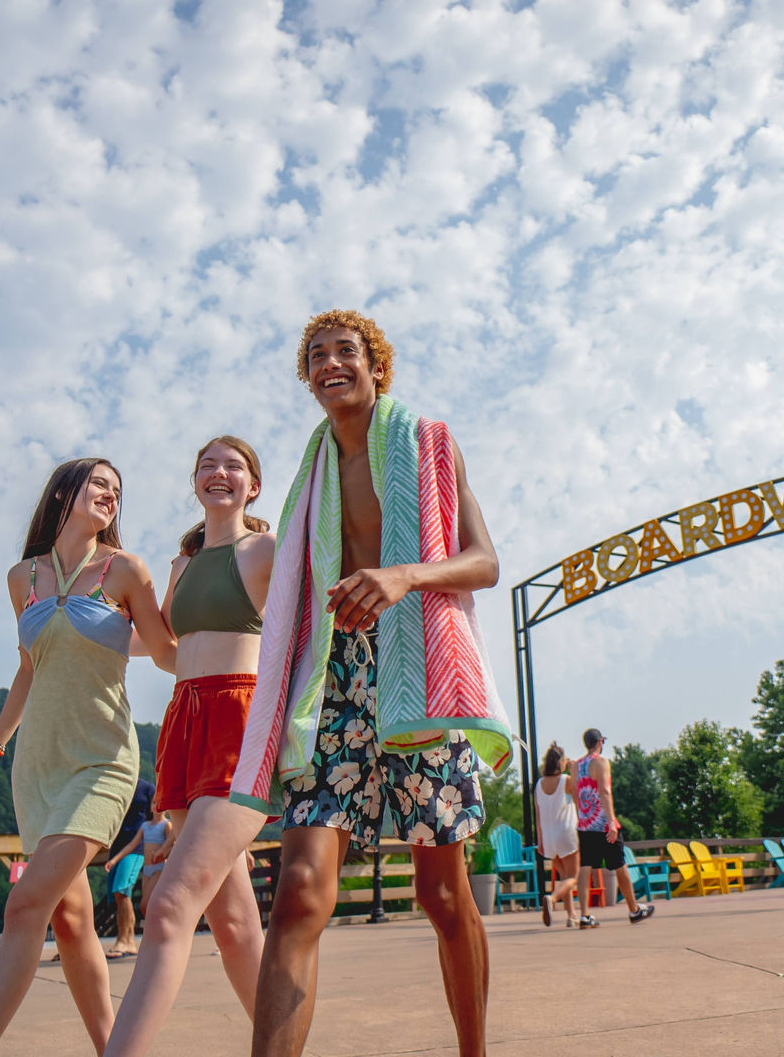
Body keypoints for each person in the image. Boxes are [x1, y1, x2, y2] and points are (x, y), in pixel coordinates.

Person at [227, 309, 514, 1057]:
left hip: (418, 674)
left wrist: (403, 575)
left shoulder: (427, 445)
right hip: (333, 682)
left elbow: (483, 561)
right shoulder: (311, 475)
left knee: (443, 895)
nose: (330, 363)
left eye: (345, 351)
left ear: (375, 367)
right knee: (296, 894)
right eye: (315, 355)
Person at [0, 458, 176, 1057]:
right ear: (64, 491)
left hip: (103, 760)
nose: (110, 494)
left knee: (25, 904)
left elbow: (167, 653)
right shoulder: (21, 577)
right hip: (37, 768)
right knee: (70, 922)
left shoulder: (124, 569)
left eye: (117, 490)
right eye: (99, 483)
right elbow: (29, 668)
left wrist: (230, 626)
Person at [101, 436, 275, 1057]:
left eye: (233, 466)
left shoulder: (266, 550)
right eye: (207, 465)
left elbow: (312, 623)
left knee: (170, 904)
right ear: (194, 482)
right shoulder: (181, 564)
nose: (219, 473)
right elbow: (163, 646)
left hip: (241, 719)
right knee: (232, 926)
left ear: (252, 485)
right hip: (185, 721)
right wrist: (87, 631)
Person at [573, 729, 654, 926]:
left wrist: (582, 818)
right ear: (600, 742)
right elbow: (605, 791)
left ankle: (584, 915)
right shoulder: (600, 762)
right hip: (602, 823)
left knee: (585, 867)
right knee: (619, 864)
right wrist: (611, 821)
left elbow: (575, 795)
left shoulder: (576, 766)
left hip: (585, 824)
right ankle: (634, 909)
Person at [103, 779, 155, 958]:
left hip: (136, 846)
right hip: (116, 846)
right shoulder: (113, 785)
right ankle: (126, 939)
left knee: (122, 890)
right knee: (118, 897)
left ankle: (126, 940)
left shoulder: (147, 788)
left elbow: (156, 815)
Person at [534, 742, 583, 927]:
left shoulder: (539, 784)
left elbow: (538, 817)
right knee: (572, 877)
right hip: (567, 833)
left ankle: (571, 916)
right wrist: (574, 772)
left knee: (564, 877)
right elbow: (578, 798)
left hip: (548, 838)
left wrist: (540, 841)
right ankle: (552, 899)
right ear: (561, 761)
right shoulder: (566, 780)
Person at [137, 801, 170, 917]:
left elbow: (172, 844)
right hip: (146, 869)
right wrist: (115, 860)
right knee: (146, 906)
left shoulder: (167, 825)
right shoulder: (145, 826)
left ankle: (156, 931)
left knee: (145, 903)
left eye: (160, 802)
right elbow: (132, 845)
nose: (156, 805)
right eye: (154, 802)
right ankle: (153, 931)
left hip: (159, 868)